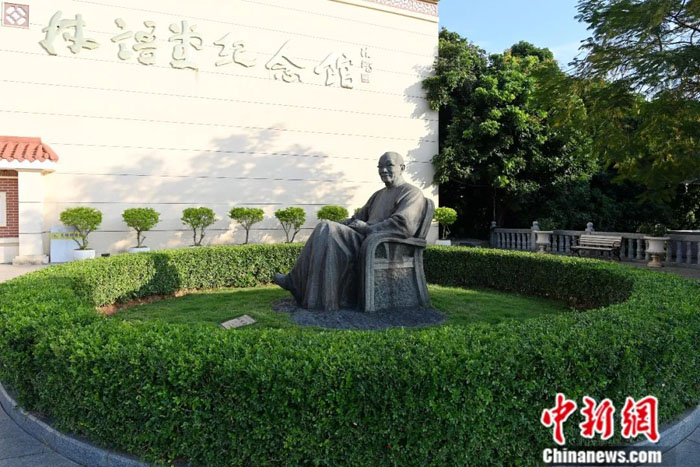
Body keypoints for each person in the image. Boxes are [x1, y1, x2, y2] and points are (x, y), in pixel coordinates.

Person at [273, 151, 426, 311]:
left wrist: (367, 229)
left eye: (389, 165)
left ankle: (296, 282)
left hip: (382, 244)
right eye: (380, 166)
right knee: (325, 227)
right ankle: (301, 285)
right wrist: (339, 224)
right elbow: (357, 218)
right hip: (363, 238)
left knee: (327, 228)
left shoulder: (411, 193)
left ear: (402, 168)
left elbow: (403, 224)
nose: (383, 170)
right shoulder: (378, 195)